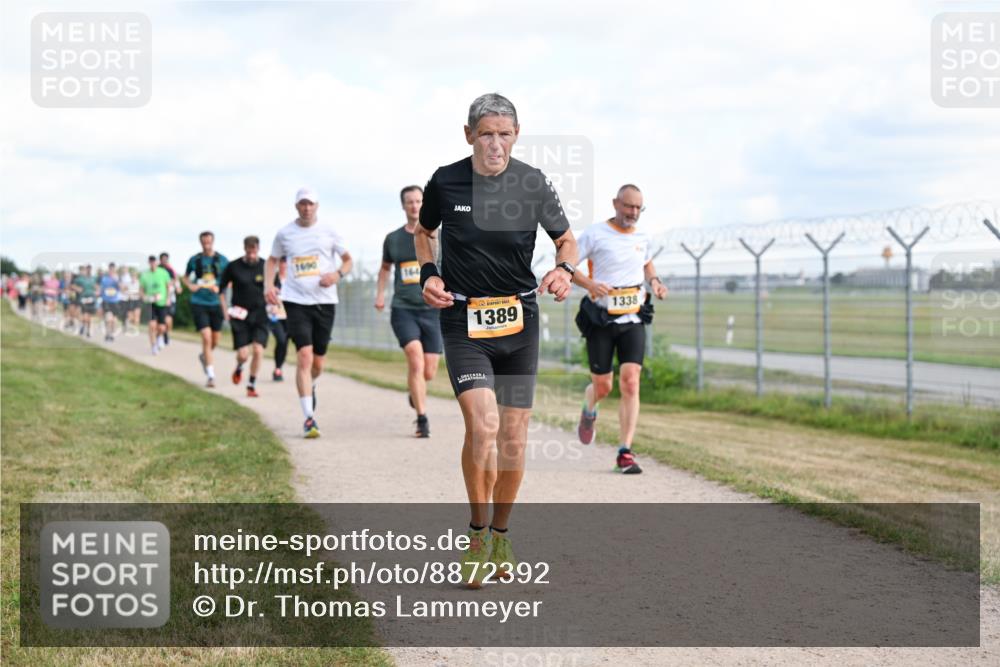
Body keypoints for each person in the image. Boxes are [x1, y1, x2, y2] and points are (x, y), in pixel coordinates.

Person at [415, 93, 577, 587]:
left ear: (517, 134)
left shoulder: (531, 183)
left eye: (504, 134)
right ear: (469, 135)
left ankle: (502, 533)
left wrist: (564, 269)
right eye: (486, 133)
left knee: (512, 438)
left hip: (519, 321)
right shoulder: (445, 179)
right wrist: (428, 273)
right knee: (482, 427)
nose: (495, 143)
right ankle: (478, 535)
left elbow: (565, 238)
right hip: (464, 320)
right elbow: (424, 233)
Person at [572, 184, 668, 475]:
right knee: (603, 386)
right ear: (616, 203)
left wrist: (655, 282)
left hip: (633, 317)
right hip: (601, 319)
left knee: (631, 381)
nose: (633, 213)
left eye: (639, 208)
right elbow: (566, 265)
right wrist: (589, 284)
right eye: (629, 206)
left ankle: (624, 451)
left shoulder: (643, 236)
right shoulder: (595, 234)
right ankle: (589, 409)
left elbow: (647, 264)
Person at [265, 187, 352, 438]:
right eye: (302, 204)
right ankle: (309, 418)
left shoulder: (329, 231)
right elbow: (272, 260)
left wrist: (337, 274)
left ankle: (310, 384)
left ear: (317, 206)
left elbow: (347, 260)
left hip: (325, 301)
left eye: (310, 204)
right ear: (296, 207)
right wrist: (268, 286)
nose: (306, 208)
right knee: (304, 355)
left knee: (318, 361)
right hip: (295, 300)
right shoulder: (285, 234)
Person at [376, 185, 443, 438]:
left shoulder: (438, 236)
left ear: (424, 203)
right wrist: (380, 293)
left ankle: (415, 393)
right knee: (415, 359)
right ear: (403, 206)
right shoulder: (393, 239)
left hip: (433, 310)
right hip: (404, 309)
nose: (415, 206)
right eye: (410, 202)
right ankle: (422, 419)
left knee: (429, 371)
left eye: (418, 201)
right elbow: (384, 269)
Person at [219, 236, 269, 397]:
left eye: (254, 250)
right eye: (249, 250)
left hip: (260, 314)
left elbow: (276, 288)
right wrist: (224, 309)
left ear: (258, 249)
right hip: (239, 315)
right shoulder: (233, 267)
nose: (252, 254)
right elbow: (221, 289)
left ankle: (251, 384)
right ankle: (240, 366)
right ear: (244, 249)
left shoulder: (266, 266)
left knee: (258, 350)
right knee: (243, 354)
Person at [183, 231, 229, 388]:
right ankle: (211, 376)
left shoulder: (222, 260)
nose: (206, 245)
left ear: (213, 241)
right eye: (204, 242)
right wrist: (191, 286)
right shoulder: (195, 260)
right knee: (206, 336)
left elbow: (230, 280)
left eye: (209, 242)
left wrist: (220, 287)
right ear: (200, 242)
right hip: (199, 302)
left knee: (215, 339)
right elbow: (186, 277)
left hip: (215, 303)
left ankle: (204, 356)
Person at [140, 255, 171, 355]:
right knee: (151, 325)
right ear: (149, 263)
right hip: (150, 303)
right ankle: (153, 346)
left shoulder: (163, 273)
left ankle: (160, 337)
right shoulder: (145, 275)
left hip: (161, 303)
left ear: (156, 262)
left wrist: (168, 298)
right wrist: (143, 296)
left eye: (154, 262)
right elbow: (141, 289)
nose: (152, 264)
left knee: (162, 327)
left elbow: (168, 286)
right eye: (151, 262)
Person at [268, 257, 290, 382]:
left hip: (289, 316)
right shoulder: (272, 279)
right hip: (275, 316)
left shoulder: (292, 280)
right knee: (281, 340)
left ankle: (278, 368)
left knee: (285, 343)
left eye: (286, 263)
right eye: (282, 262)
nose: (284, 265)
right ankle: (277, 367)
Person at [159, 252, 181, 346]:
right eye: (163, 259)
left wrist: (178, 287)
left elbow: (176, 282)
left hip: (170, 299)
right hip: (159, 299)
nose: (164, 261)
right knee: (159, 321)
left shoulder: (171, 270)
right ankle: (159, 337)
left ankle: (166, 333)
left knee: (168, 320)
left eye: (166, 259)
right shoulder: (157, 269)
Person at [72, 265, 98, 337]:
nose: (89, 271)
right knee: (84, 315)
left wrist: (97, 291)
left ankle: (88, 330)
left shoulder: (93, 278)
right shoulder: (80, 279)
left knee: (89, 317)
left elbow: (97, 286)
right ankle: (83, 326)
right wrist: (77, 289)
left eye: (90, 269)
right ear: (85, 270)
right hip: (83, 298)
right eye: (87, 269)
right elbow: (73, 285)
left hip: (91, 298)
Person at [99, 262, 122, 342]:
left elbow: (121, 288)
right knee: (108, 319)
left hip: (115, 302)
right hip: (106, 301)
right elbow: (101, 290)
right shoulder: (104, 279)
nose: (111, 271)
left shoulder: (117, 278)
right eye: (110, 269)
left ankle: (111, 334)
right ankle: (107, 334)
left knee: (114, 321)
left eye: (113, 269)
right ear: (108, 269)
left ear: (115, 269)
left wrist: (116, 280)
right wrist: (99, 295)